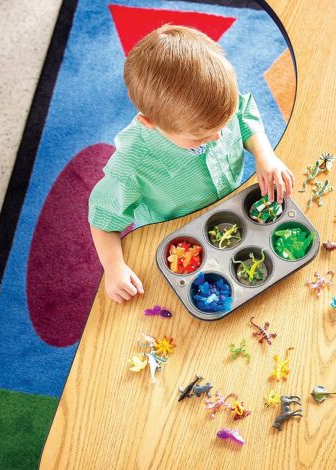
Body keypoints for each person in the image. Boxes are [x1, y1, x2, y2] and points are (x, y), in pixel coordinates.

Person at [89, 25, 294, 303]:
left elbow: (243, 112)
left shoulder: (216, 101)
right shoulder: (132, 165)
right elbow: (102, 219)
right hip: (178, 230)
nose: (219, 137)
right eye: (200, 137)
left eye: (224, 124)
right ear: (149, 123)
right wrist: (114, 267)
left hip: (229, 205)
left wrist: (264, 155)